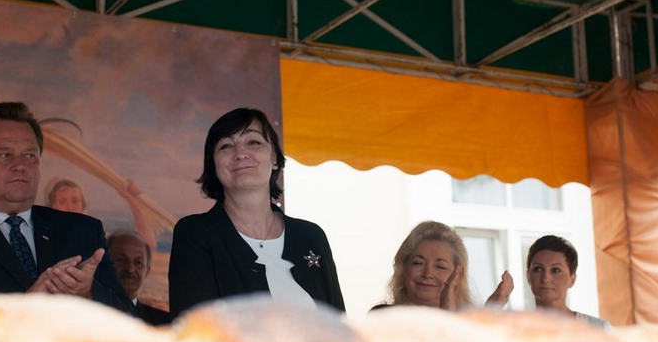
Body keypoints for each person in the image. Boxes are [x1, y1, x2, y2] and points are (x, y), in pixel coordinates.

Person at [0, 101, 135, 315]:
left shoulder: (83, 230)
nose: (20, 165)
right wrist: (21, 309)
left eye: (30, 155)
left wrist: (88, 293)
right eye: (5, 155)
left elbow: (129, 320)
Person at [169, 107, 344, 319]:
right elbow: (194, 327)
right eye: (226, 146)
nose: (240, 153)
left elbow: (339, 325)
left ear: (275, 158)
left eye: (254, 142)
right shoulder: (195, 234)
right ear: (213, 165)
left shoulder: (311, 236)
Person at [374, 220, 513, 311]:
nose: (427, 274)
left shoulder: (468, 325)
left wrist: (491, 310)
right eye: (418, 263)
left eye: (440, 266)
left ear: (458, 275)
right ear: (404, 268)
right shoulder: (382, 316)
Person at [526, 234, 610, 329]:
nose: (545, 278)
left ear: (572, 280)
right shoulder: (515, 329)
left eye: (556, 270)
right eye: (538, 269)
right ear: (528, 276)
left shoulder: (598, 328)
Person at [107, 229, 170, 326]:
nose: (130, 269)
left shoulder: (164, 325)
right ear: (104, 265)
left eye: (138, 262)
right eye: (121, 260)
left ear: (147, 271)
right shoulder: (84, 317)